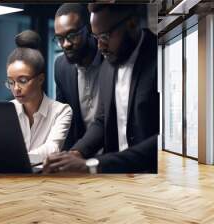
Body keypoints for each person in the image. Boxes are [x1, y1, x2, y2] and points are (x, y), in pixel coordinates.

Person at [43, 4, 159, 173]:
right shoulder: (110, 64)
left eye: (104, 36)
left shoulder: (162, 55)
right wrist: (76, 153)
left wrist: (93, 165)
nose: (99, 46)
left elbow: (167, 140)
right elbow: (102, 120)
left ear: (132, 24)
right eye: (96, 37)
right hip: (118, 178)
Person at [6, 30, 73, 162]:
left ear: (40, 79)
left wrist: (17, 159)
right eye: (10, 82)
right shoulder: (8, 110)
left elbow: (52, 148)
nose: (16, 88)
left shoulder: (61, 111)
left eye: (23, 80)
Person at [54, 3, 104, 150]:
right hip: (79, 156)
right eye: (60, 38)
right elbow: (65, 118)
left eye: (72, 35)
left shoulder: (110, 58)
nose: (66, 44)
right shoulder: (60, 66)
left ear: (89, 29)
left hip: (113, 157)